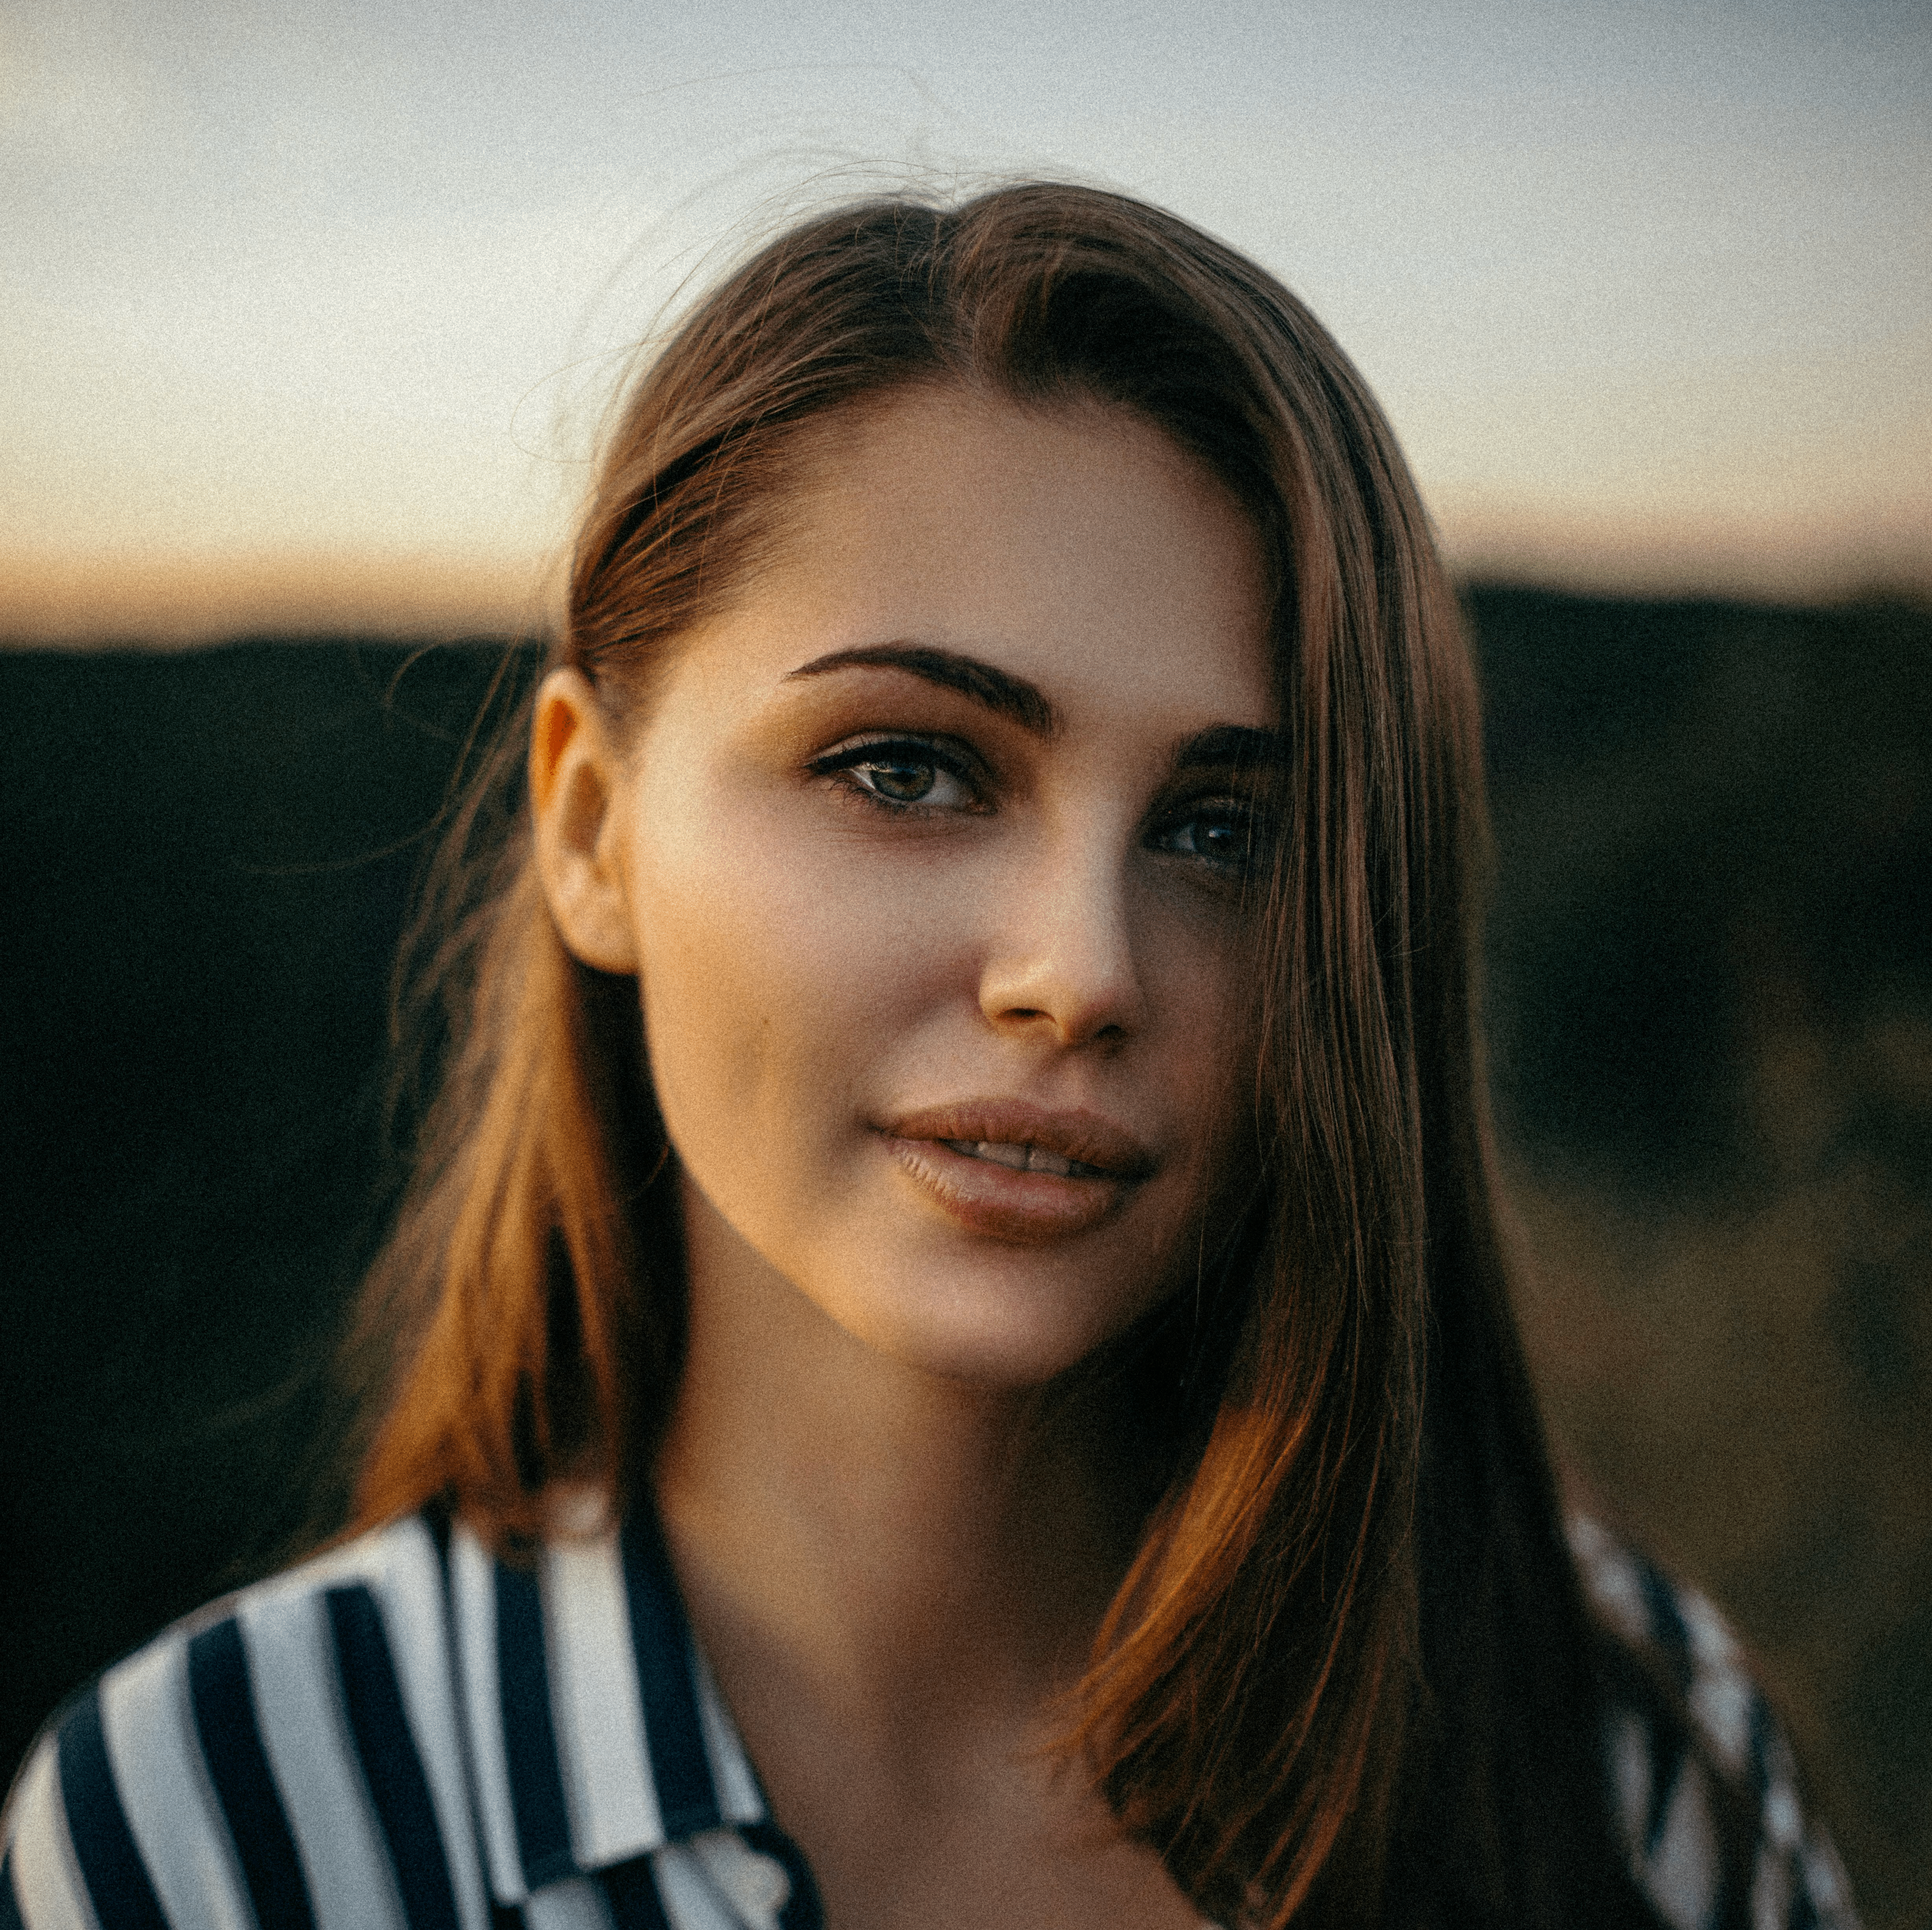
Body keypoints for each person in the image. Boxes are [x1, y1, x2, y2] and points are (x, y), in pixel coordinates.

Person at [1, 185, 1857, 1930]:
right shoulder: (221, 1824)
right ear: (588, 827)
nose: (1080, 970)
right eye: (907, 767)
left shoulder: (1615, 1758)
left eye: (1227, 829)